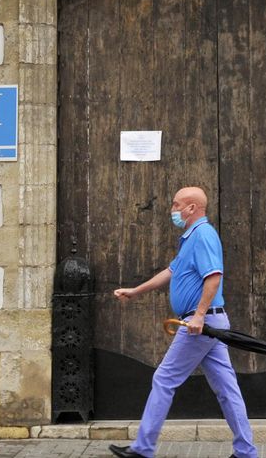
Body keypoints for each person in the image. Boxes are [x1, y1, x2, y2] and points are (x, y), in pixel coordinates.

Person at [108, 186, 257, 458]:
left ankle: (142, 449)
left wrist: (199, 315)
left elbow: (214, 276)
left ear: (192, 208)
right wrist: (136, 290)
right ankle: (246, 452)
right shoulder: (189, 238)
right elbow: (170, 271)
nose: (172, 210)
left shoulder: (203, 235)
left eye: (177, 205)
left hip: (200, 324)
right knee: (227, 389)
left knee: (164, 378)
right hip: (209, 322)